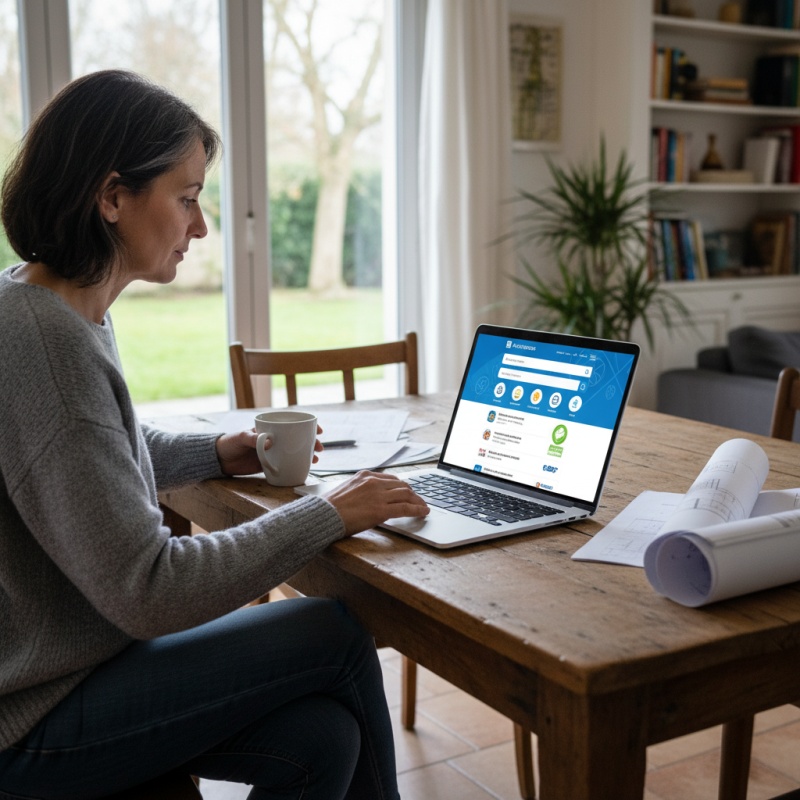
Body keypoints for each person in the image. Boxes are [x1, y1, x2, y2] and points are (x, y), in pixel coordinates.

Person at [0, 69, 429, 800]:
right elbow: (150, 591)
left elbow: (90, 455)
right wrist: (328, 512)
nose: (201, 227)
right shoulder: (49, 344)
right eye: (189, 198)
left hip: (74, 670)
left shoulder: (42, 302)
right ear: (111, 198)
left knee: (322, 739)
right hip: (36, 717)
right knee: (332, 632)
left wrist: (212, 451)